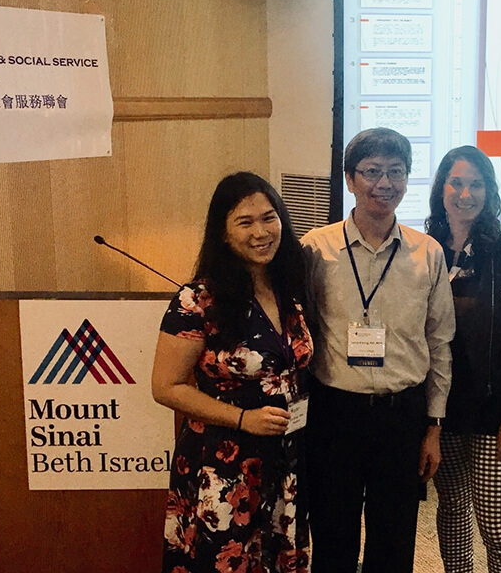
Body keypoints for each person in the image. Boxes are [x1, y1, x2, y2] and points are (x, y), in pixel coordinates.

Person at [301, 127, 456, 573]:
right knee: (333, 534)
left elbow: (439, 343)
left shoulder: (428, 254)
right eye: (371, 172)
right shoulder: (315, 249)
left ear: (407, 179)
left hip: (401, 415)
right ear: (350, 179)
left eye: (395, 172)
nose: (383, 183)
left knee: (394, 538)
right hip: (334, 413)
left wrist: (434, 426)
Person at [151, 172, 312, 573]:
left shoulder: (290, 287)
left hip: (286, 459)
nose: (261, 232)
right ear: (223, 233)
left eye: (269, 218)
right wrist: (244, 419)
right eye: (245, 222)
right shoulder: (197, 300)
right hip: (223, 465)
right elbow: (165, 387)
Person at [425, 146, 501, 573]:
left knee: (497, 527)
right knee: (453, 511)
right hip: (445, 407)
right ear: (441, 187)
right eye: (456, 182)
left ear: (490, 191)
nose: (465, 193)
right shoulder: (426, 249)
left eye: (476, 184)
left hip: (499, 413)